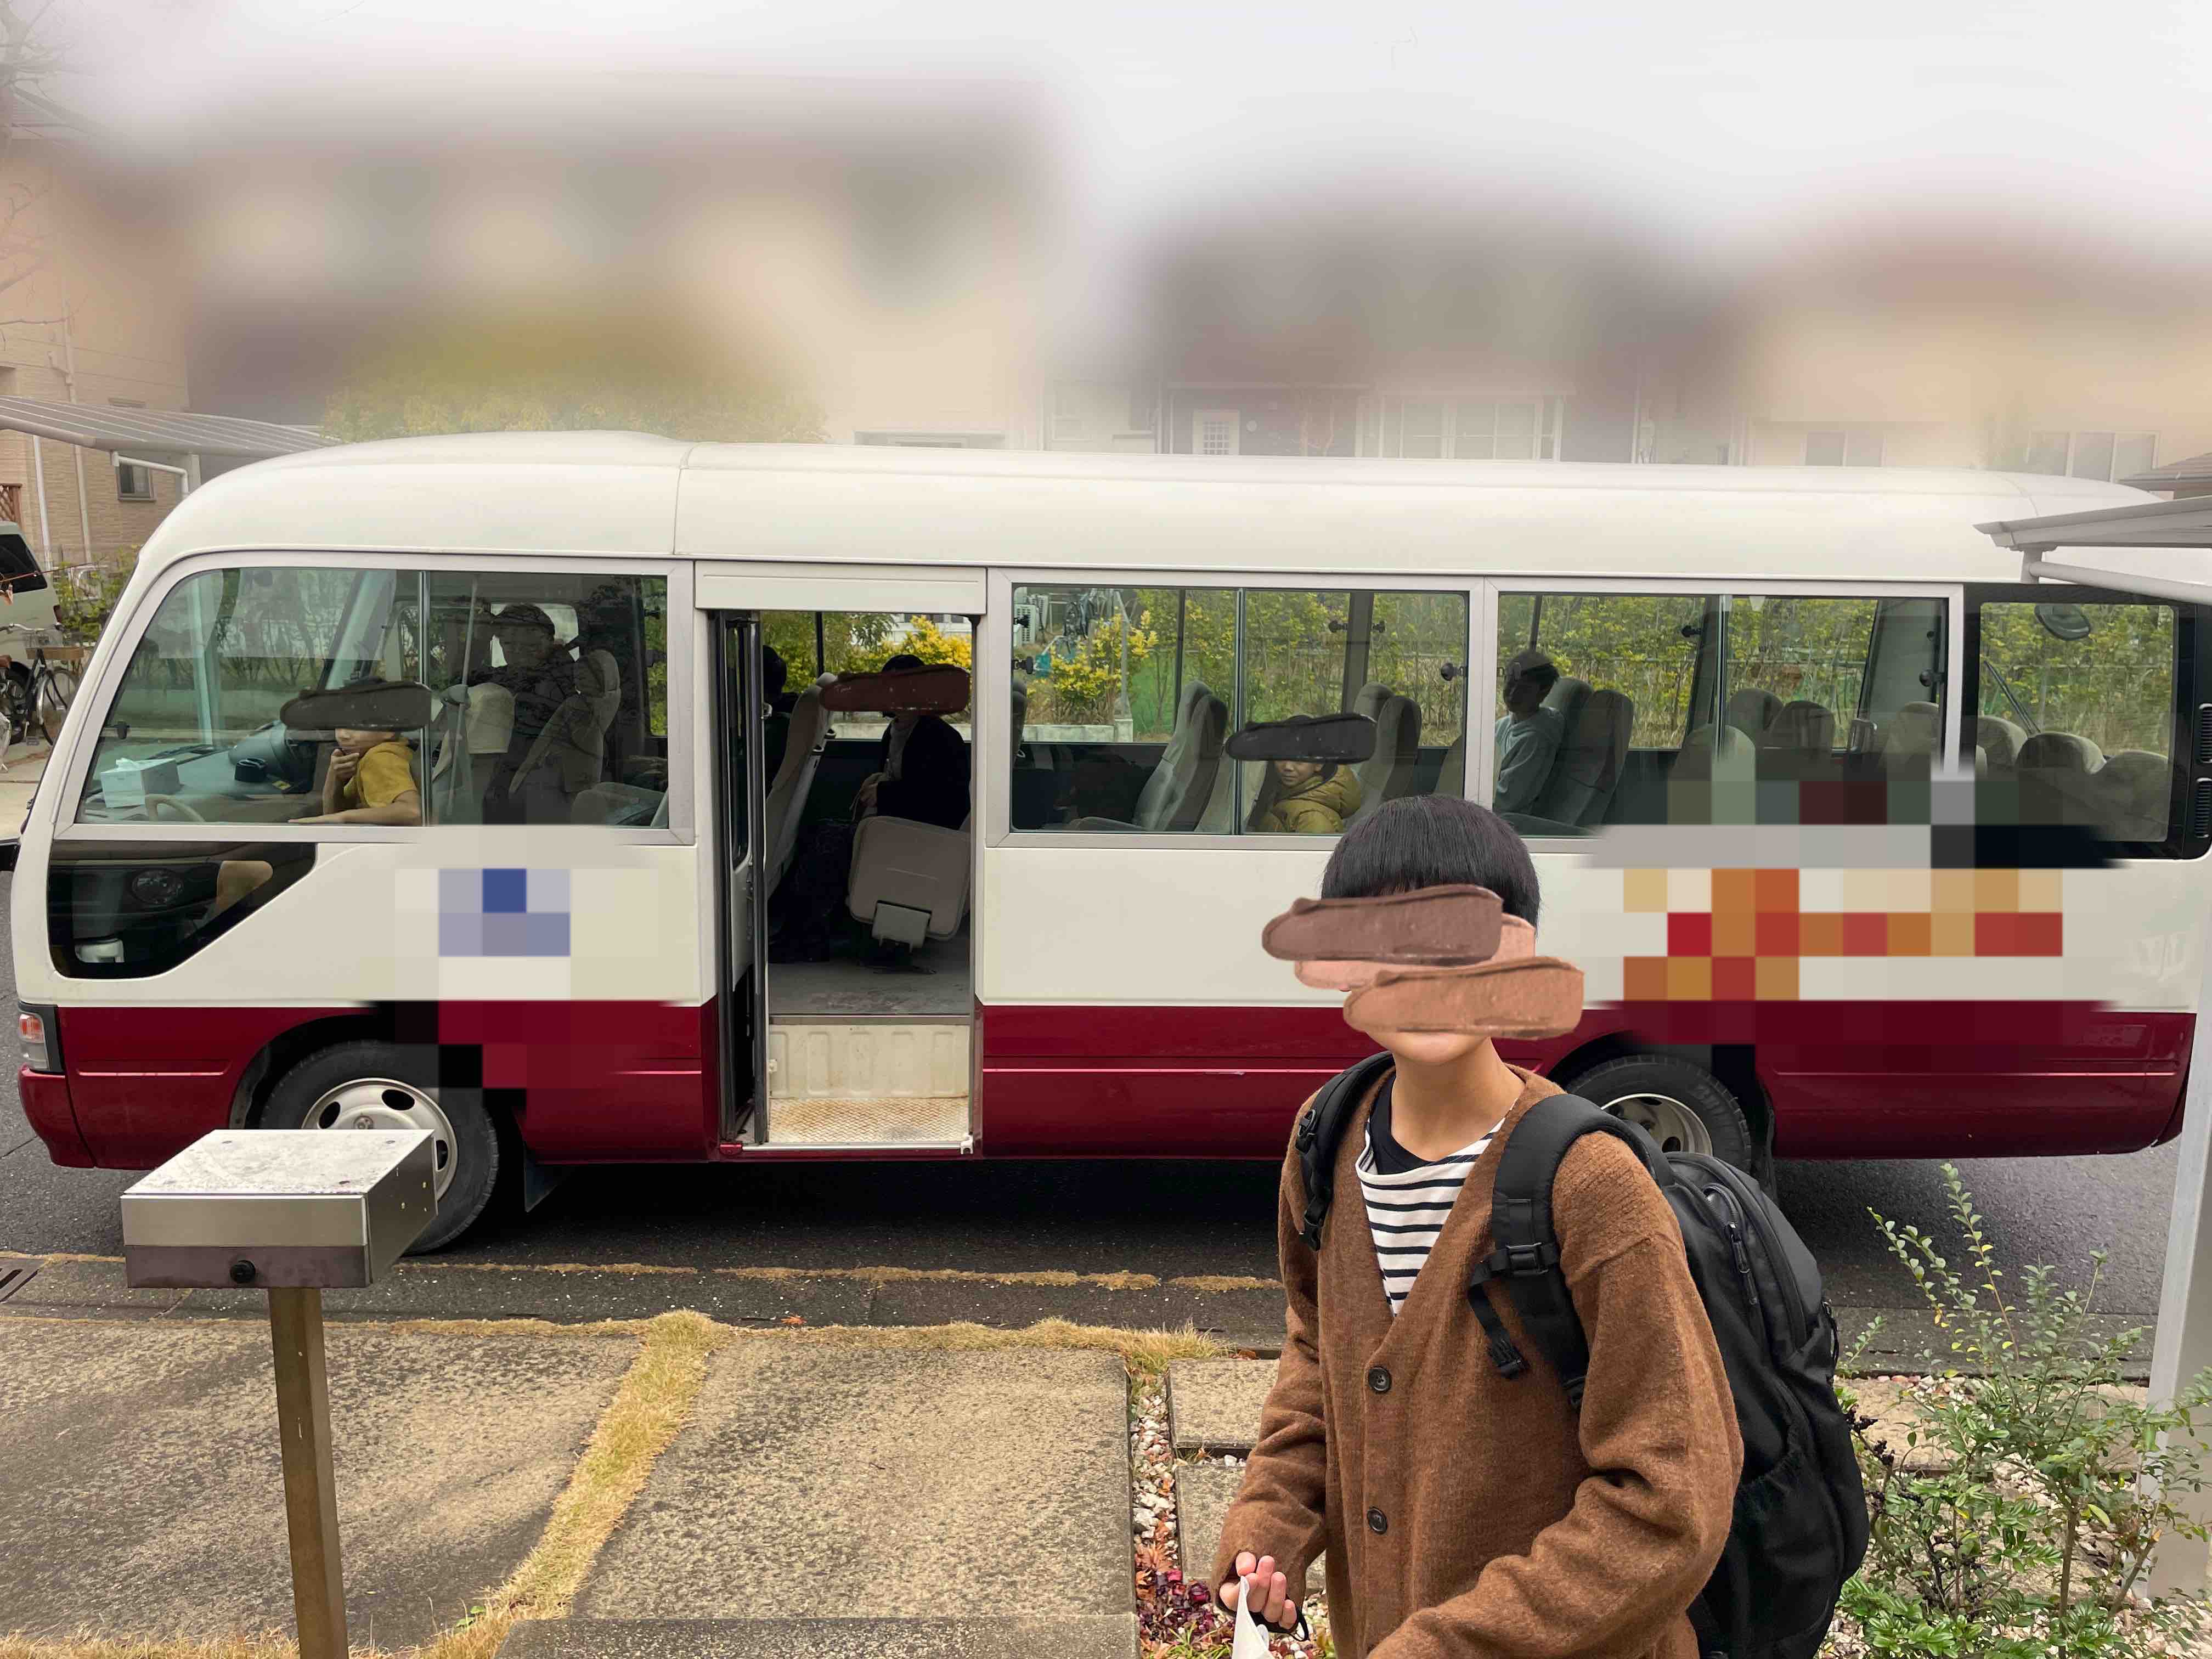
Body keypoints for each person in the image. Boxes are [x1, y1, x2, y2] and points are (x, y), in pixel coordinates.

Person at [1213, 794, 1740, 1658]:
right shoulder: (1326, 1139)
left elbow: (1671, 1503)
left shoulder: (1591, 1187)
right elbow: (1319, 1348)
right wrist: (1271, 1525)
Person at [774, 653, 971, 961]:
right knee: (820, 830)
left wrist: (886, 793)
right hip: (896, 824)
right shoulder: (895, 731)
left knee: (828, 839)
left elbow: (945, 800)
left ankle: (809, 937)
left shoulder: (939, 737)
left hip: (924, 833)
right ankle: (808, 928)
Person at [296, 725, 421, 826]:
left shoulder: (379, 757)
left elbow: (412, 812)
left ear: (388, 730)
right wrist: (334, 777)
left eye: (356, 726)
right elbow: (333, 820)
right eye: (339, 725)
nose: (343, 735)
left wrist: (344, 817)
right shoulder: (397, 750)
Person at [1492, 647, 1565, 815]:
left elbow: (1507, 799)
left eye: (1524, 689)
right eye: (1510, 684)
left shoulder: (1537, 740)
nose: (1513, 694)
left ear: (1543, 693)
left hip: (1508, 820)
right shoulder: (1503, 725)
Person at [1250, 755, 1362, 834]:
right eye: (1281, 757)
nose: (1288, 767)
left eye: (1299, 759)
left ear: (1319, 764)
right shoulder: (1279, 794)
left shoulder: (1313, 819)